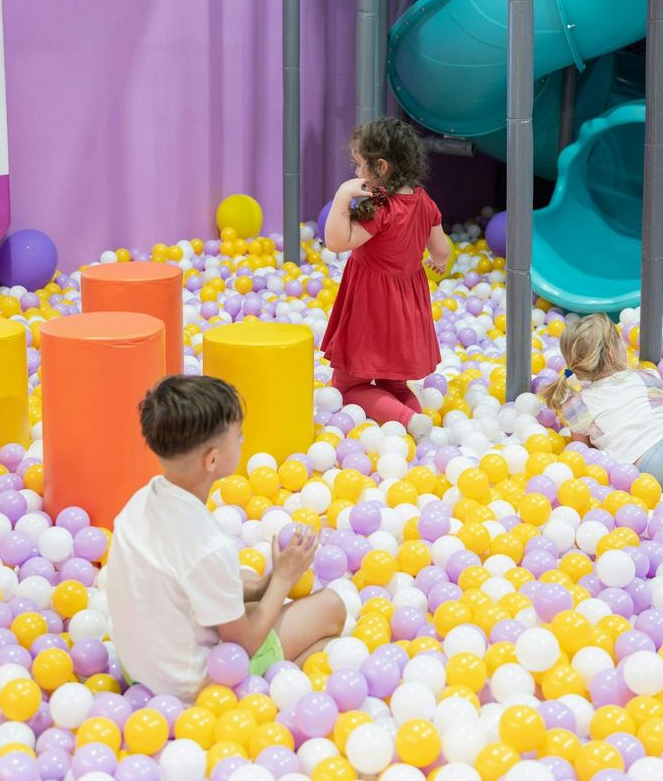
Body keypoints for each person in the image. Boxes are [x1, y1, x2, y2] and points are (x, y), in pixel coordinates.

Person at [106, 375, 346, 702]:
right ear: (213, 459)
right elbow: (242, 644)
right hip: (191, 685)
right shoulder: (207, 546)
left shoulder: (139, 503)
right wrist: (283, 580)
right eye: (239, 435)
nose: (243, 440)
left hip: (139, 669)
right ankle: (255, 694)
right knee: (331, 609)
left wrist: (262, 587)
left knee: (248, 586)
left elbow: (183, 582)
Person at [543, 312, 663, 534]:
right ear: (612, 353)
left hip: (650, 460)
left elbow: (582, 449)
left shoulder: (578, 403)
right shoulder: (644, 376)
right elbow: (659, 401)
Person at [322, 118, 449, 438]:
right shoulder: (423, 199)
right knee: (395, 383)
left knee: (347, 387)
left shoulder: (380, 206)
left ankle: (408, 420)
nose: (356, 173)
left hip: (372, 306)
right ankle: (417, 422)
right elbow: (442, 249)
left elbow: (336, 242)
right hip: (406, 306)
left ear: (381, 167)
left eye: (360, 166)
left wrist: (342, 195)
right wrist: (438, 262)